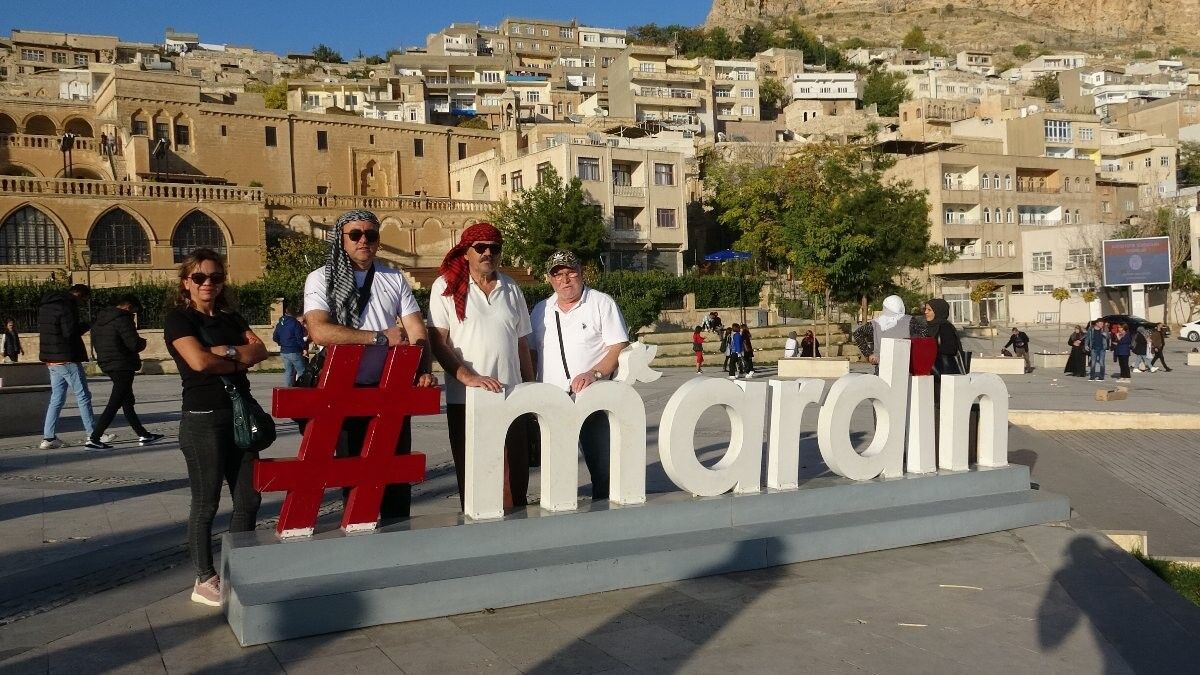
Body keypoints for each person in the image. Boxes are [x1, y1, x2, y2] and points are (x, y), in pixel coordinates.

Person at [303, 210, 437, 521]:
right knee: (352, 475)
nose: (363, 240)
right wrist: (378, 338)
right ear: (341, 239)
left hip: (389, 389)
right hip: (343, 391)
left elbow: (416, 330)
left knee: (396, 474)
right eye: (355, 234)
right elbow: (320, 330)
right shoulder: (321, 278)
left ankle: (397, 537)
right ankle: (357, 535)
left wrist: (422, 369)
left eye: (371, 234)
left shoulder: (393, 278)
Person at [163, 248, 269, 607]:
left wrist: (226, 353)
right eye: (199, 277)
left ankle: (237, 567)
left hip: (239, 415)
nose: (208, 283)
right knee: (206, 503)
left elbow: (261, 350)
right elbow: (198, 362)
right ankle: (204, 577)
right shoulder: (179, 319)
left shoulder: (231, 317)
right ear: (186, 283)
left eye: (216, 277)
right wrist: (237, 358)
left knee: (249, 498)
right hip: (202, 418)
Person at [428, 223, 533, 510]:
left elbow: (522, 342)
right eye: (481, 247)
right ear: (465, 252)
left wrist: (531, 387)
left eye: (494, 248)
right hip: (468, 398)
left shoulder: (510, 287)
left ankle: (516, 529)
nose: (488, 253)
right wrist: (467, 376)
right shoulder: (445, 287)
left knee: (514, 477)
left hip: (511, 396)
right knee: (475, 475)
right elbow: (438, 341)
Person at [529, 250, 628, 502]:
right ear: (549, 279)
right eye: (557, 274)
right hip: (553, 404)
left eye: (570, 272)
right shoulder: (541, 310)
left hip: (593, 401)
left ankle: (605, 515)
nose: (565, 279)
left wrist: (594, 373)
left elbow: (618, 346)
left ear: (581, 272)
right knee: (556, 474)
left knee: (604, 470)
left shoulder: (601, 303)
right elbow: (530, 353)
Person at [88, 296, 163, 448]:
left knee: (127, 401)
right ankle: (94, 438)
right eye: (134, 311)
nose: (134, 314)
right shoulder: (123, 319)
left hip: (107, 363)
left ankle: (143, 434)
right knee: (115, 402)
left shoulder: (100, 320)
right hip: (123, 364)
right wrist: (143, 342)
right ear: (128, 306)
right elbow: (133, 344)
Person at [38, 283, 105, 450]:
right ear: (79, 295)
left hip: (51, 358)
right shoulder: (67, 305)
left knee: (56, 398)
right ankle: (93, 434)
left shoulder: (46, 306)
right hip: (66, 357)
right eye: (83, 300)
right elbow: (70, 332)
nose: (82, 303)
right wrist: (88, 324)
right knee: (83, 395)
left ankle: (49, 437)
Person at [851, 295, 923, 369]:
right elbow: (923, 338)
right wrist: (869, 354)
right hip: (904, 366)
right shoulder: (910, 321)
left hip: (885, 367)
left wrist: (869, 354)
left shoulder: (875, 323)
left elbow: (857, 334)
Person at [271, 303, 308, 386]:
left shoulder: (280, 324)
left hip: (284, 351)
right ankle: (303, 388)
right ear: (295, 313)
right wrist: (304, 348)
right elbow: (299, 338)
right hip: (294, 350)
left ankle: (288, 389)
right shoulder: (295, 323)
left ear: (286, 312)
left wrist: (282, 343)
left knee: (288, 372)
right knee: (302, 371)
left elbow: (275, 337)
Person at [923, 298, 962, 376]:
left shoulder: (945, 327)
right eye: (925, 309)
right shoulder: (928, 327)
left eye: (929, 310)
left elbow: (951, 349)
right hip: (930, 371)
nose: (925, 312)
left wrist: (930, 347)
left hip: (944, 372)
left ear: (938, 311)